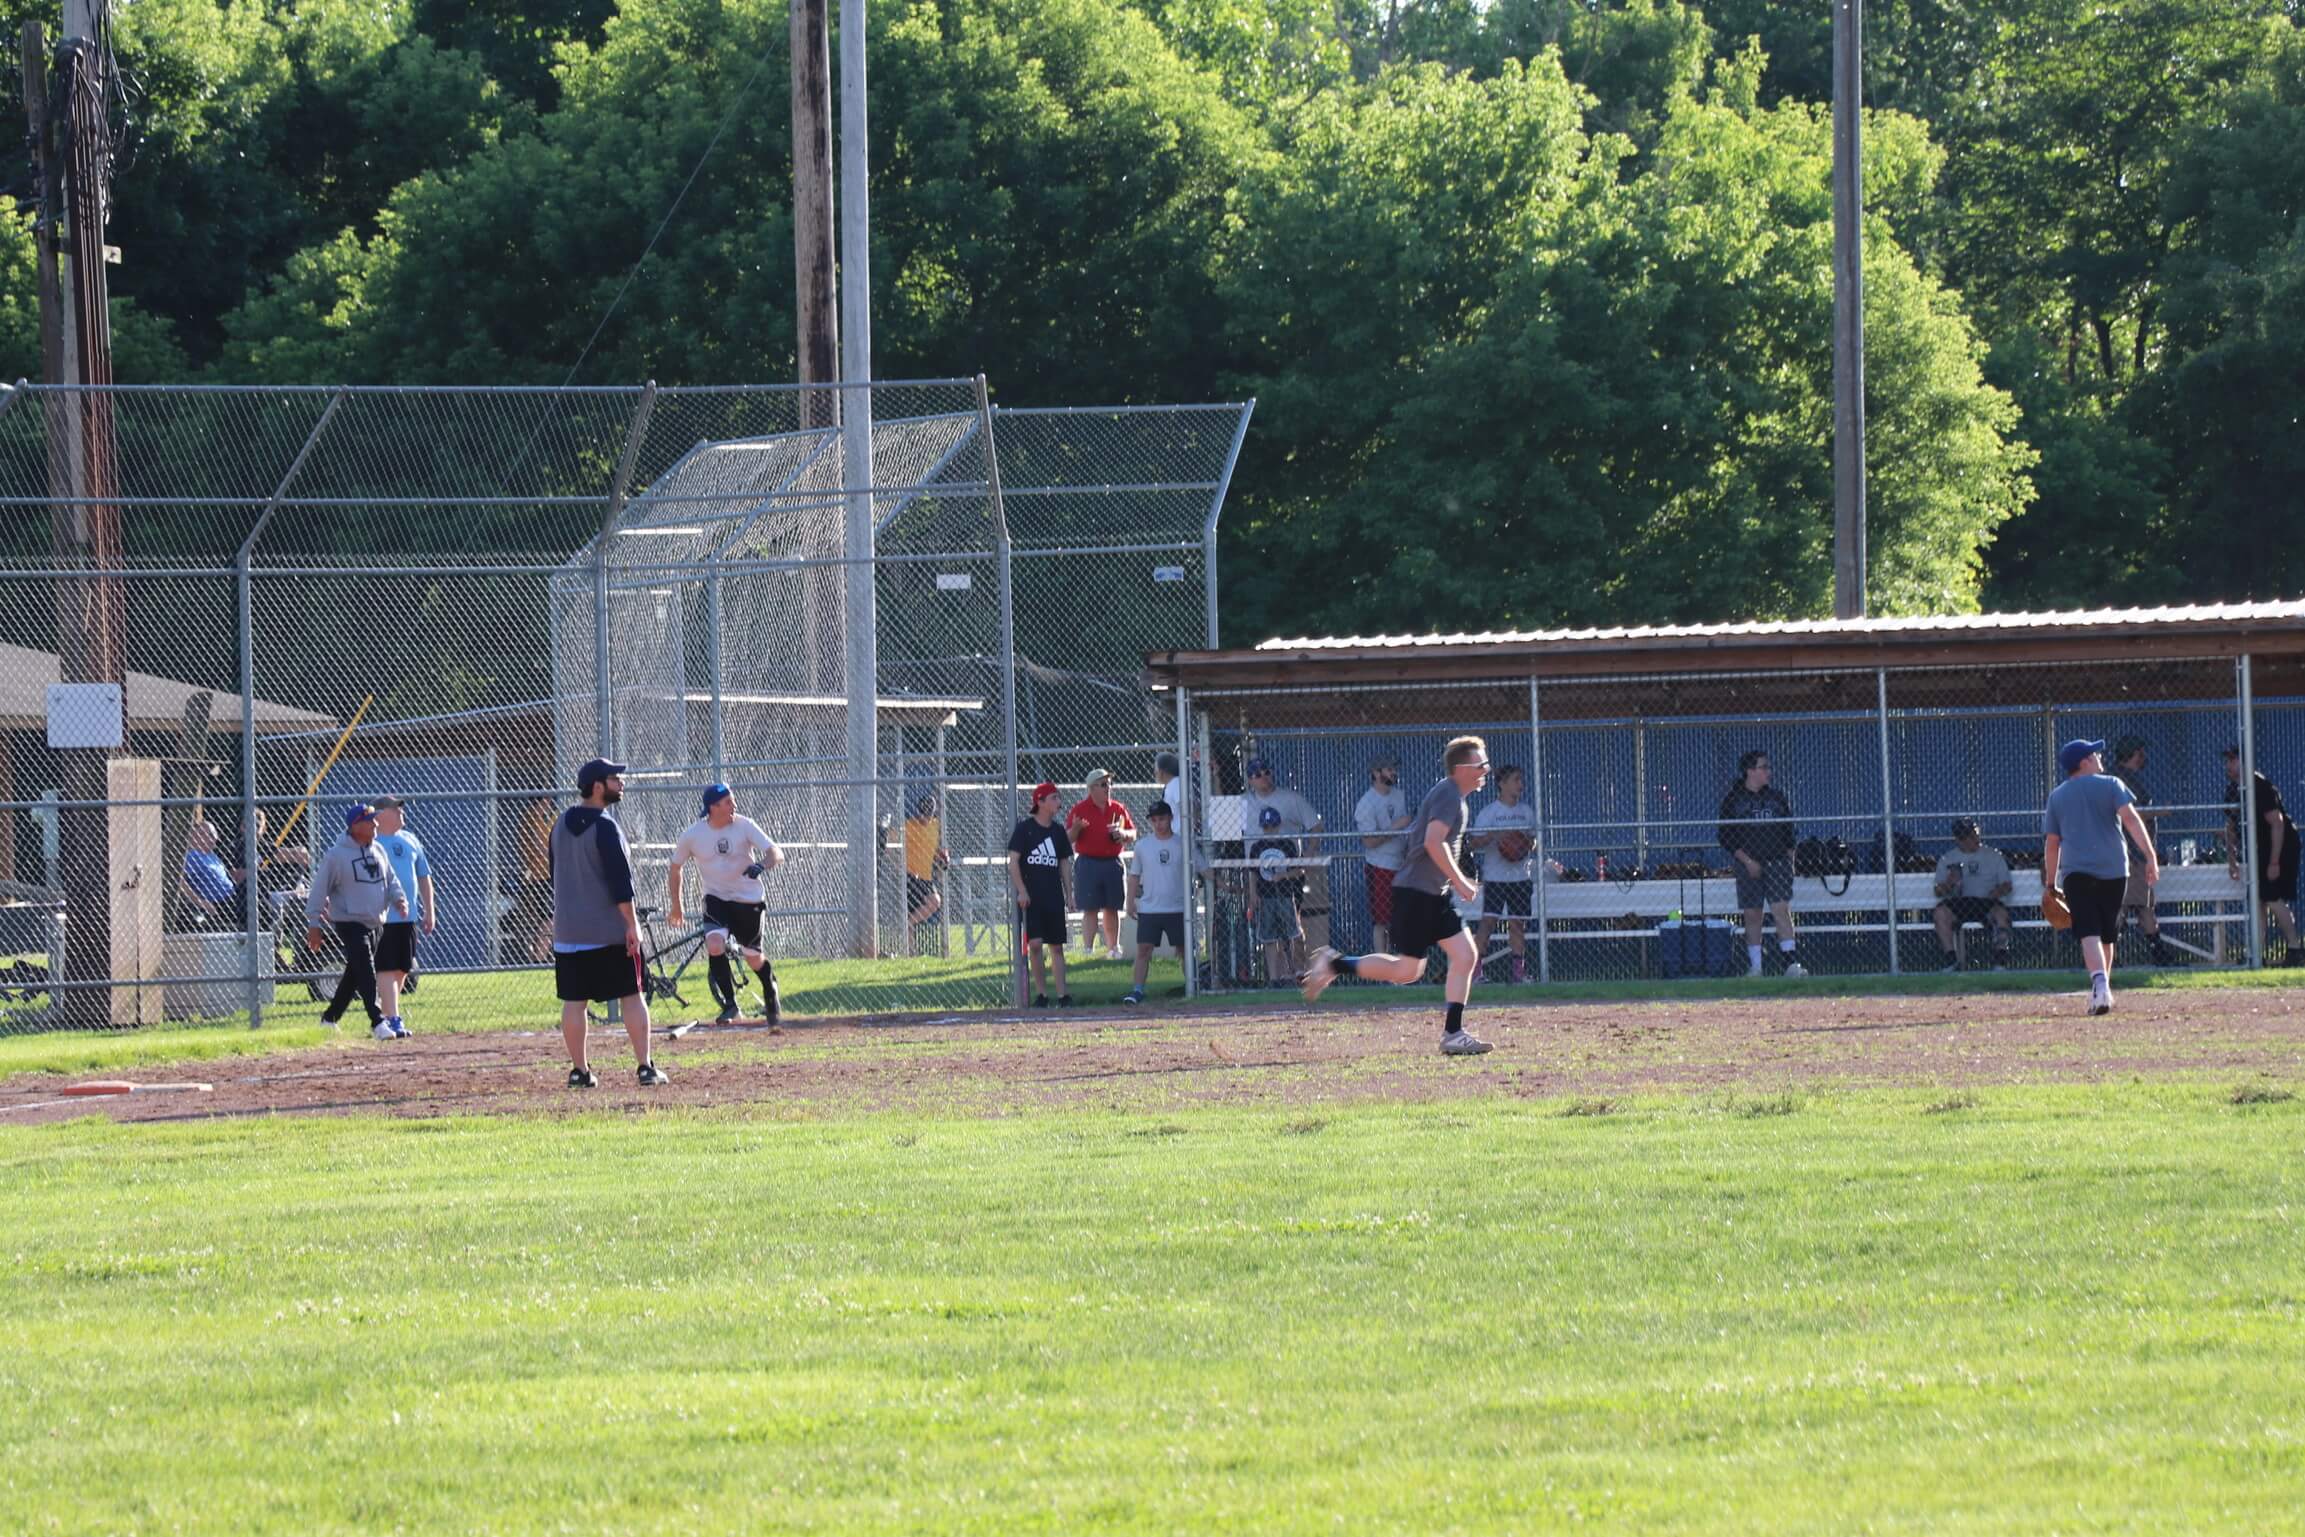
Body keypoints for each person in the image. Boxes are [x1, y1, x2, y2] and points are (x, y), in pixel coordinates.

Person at [1301, 736, 1495, 1057]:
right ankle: (1335, 964)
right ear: (1461, 769)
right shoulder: (1449, 794)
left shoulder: (1454, 796)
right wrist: (1460, 881)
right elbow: (1434, 842)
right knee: (1408, 971)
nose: (1485, 769)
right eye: (1479, 765)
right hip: (1418, 893)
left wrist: (1453, 883)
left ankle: (1453, 1033)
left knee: (1462, 957)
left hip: (1433, 893)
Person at [551, 758, 665, 1087]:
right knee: (632, 994)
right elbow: (620, 882)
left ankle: (579, 1071)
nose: (621, 783)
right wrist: (632, 924)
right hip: (609, 931)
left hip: (568, 931)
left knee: (575, 1002)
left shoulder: (559, 824)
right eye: (615, 779)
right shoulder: (604, 826)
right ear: (598, 787)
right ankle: (645, 1067)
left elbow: (554, 874)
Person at [2043, 738, 2159, 1016]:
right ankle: (2102, 989)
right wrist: (2150, 856)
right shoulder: (2111, 785)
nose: (2099, 758)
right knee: (2106, 933)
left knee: (2089, 931)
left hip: (2077, 872)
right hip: (2115, 870)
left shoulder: (2057, 796)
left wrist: (2050, 882)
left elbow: (2052, 843)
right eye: (2094, 754)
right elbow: (2132, 820)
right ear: (2084, 762)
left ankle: (2100, 985)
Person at [666, 782, 783, 1025]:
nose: (734, 805)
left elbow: (775, 852)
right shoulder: (693, 835)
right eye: (728, 802)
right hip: (716, 898)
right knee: (715, 945)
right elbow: (676, 867)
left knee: (753, 958)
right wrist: (676, 905)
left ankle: (769, 985)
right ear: (713, 807)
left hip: (747, 900)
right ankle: (731, 1006)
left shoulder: (744, 825)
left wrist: (762, 865)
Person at [304, 804, 408, 1039]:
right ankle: (377, 1021)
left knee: (355, 972)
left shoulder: (379, 850)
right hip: (349, 922)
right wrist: (314, 924)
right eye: (370, 821)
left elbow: (390, 880)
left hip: (375, 922)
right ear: (355, 826)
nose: (375, 825)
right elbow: (319, 890)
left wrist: (399, 899)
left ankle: (329, 1019)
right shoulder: (336, 855)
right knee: (366, 969)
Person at [1717, 749, 1806, 979]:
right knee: (1753, 914)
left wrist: (1790, 861)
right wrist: (1748, 861)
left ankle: (1790, 964)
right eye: (1763, 767)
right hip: (1749, 865)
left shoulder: (1776, 798)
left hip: (1777, 862)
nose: (1768, 771)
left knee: (1780, 910)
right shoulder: (1733, 800)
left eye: (1768, 767)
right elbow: (1726, 837)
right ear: (1750, 771)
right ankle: (1756, 967)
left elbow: (1789, 833)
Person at [2222, 746, 2304, 962]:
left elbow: (2277, 824)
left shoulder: (2261, 786)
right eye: (2228, 761)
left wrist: (2274, 862)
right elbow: (2230, 828)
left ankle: (2295, 949)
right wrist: (2232, 861)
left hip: (2281, 845)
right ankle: (2256, 954)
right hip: (2258, 848)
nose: (2229, 765)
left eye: (2234, 760)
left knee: (2271, 896)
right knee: (2258, 899)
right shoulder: (2233, 790)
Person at [2108, 737, 2181, 966]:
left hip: (2136, 855)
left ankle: (2156, 951)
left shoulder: (2126, 778)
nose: (2143, 757)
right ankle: (2115, 955)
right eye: (2139, 753)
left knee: (2143, 905)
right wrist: (2160, 812)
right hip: (2129, 854)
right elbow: (2132, 814)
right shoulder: (2121, 778)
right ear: (2132, 754)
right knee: (2123, 905)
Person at [371, 797, 435, 1039]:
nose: (401, 811)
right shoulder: (372, 841)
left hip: (409, 917)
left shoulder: (410, 839)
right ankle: (392, 1018)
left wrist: (430, 910)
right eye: (395, 807)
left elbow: (424, 877)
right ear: (380, 814)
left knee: (402, 968)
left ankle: (384, 1014)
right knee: (386, 968)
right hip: (383, 917)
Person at [1008, 781, 1074, 1006]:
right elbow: (1013, 862)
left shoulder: (1057, 832)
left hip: (1053, 895)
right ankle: (1042, 995)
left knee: (1056, 946)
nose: (1058, 802)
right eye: (1053, 798)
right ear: (1041, 802)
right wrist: (1022, 891)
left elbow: (1064, 864)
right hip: (1032, 897)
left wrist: (1069, 894)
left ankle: (1063, 994)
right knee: (1035, 944)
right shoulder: (1025, 829)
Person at [1471, 765, 1539, 982]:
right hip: (1495, 877)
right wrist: (1496, 836)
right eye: (1516, 780)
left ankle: (1518, 973)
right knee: (1488, 923)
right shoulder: (1490, 813)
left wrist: (1522, 842)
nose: (1521, 785)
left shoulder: (1526, 812)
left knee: (1518, 924)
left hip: (1520, 877)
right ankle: (1476, 972)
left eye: (1521, 780)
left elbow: (1534, 842)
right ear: (1502, 784)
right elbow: (1473, 843)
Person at [1066, 769, 1136, 962]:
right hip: (1088, 862)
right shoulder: (1079, 809)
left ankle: (1113, 948)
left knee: (1112, 907)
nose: (1108, 788)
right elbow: (1068, 838)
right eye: (1104, 784)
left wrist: (1122, 834)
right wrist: (1077, 828)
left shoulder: (1118, 809)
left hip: (1112, 862)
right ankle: (1088, 950)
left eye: (1109, 784)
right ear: (1092, 788)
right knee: (1089, 908)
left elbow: (1133, 834)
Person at [1123, 800, 1187, 1004]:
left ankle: (1193, 986)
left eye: (1162, 819)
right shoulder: (1143, 845)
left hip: (1178, 906)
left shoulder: (1182, 843)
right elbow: (1134, 876)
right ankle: (1137, 990)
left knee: (1184, 949)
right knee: (1143, 949)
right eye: (1154, 820)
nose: (1158, 823)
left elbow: (1201, 868)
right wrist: (1130, 901)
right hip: (1150, 908)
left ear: (1171, 818)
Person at [1931, 817, 2013, 972]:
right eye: (1968, 837)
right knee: (1940, 913)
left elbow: (2007, 885)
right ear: (1959, 840)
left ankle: (2000, 961)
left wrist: (1997, 892)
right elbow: (1937, 891)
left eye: (1975, 834)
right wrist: (1949, 883)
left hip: (1986, 901)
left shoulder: (1993, 855)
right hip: (1959, 902)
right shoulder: (1947, 858)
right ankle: (1951, 961)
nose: (1974, 839)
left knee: (2001, 914)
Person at [1353, 754, 1413, 953]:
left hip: (1402, 865)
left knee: (1403, 919)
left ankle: (1402, 967)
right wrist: (1395, 827)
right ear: (1376, 773)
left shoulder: (1399, 795)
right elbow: (1369, 842)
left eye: (1394, 768)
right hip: (1380, 867)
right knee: (1382, 921)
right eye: (1389, 769)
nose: (1393, 772)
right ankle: (1382, 965)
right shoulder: (1366, 803)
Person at [1247, 805, 1305, 985]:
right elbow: (1253, 873)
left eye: (1272, 826)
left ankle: (1293, 971)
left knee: (1292, 934)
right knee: (1269, 937)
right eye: (1266, 827)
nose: (1269, 830)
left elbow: (1298, 871)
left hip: (1286, 895)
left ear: (1278, 826)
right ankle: (1273, 977)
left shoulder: (1287, 845)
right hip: (1266, 897)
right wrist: (1253, 894)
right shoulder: (1257, 846)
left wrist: (1284, 875)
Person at [902, 792, 948, 943]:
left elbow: (934, 849)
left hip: (926, 877)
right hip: (909, 876)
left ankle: (907, 924)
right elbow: (891, 847)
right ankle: (910, 954)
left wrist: (942, 856)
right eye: (923, 814)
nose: (925, 818)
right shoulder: (908, 826)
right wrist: (898, 867)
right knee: (931, 902)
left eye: (928, 815)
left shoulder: (935, 826)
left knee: (935, 902)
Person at [179, 819, 242, 926]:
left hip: (233, 897)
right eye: (205, 834)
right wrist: (200, 902)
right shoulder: (192, 856)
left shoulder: (213, 856)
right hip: (218, 904)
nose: (213, 838)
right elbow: (179, 880)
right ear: (194, 837)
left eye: (213, 834)